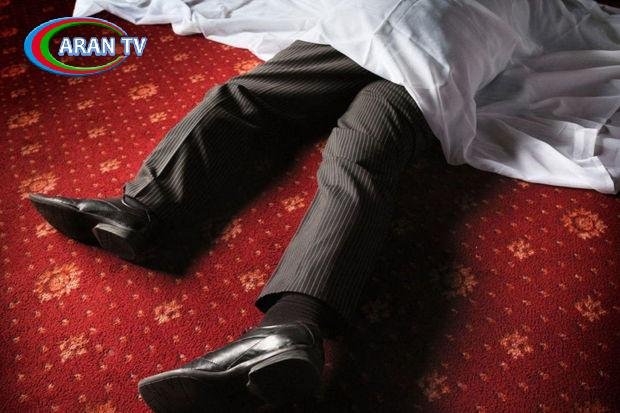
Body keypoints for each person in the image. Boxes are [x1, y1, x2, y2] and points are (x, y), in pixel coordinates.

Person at [29, 39, 432, 411]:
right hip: (447, 59)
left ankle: (140, 208)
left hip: (392, 25)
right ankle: (288, 329)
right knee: (359, 161)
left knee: (249, 95)